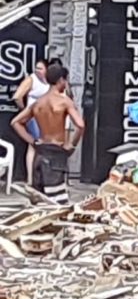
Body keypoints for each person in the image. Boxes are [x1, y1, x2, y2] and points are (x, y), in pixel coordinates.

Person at [11, 65, 84, 204]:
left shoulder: (38, 103)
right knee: (57, 202)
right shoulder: (65, 102)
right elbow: (80, 125)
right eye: (66, 80)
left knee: (40, 200)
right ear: (61, 80)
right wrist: (72, 145)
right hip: (57, 153)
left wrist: (33, 141)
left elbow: (15, 122)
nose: (66, 84)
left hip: (41, 152)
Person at [13, 59, 49, 185]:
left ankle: (37, 178)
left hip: (46, 117)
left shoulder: (50, 81)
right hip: (33, 117)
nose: (37, 70)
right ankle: (30, 179)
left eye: (40, 68)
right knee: (35, 144)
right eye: (36, 68)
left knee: (38, 146)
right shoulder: (31, 79)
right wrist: (25, 110)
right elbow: (17, 96)